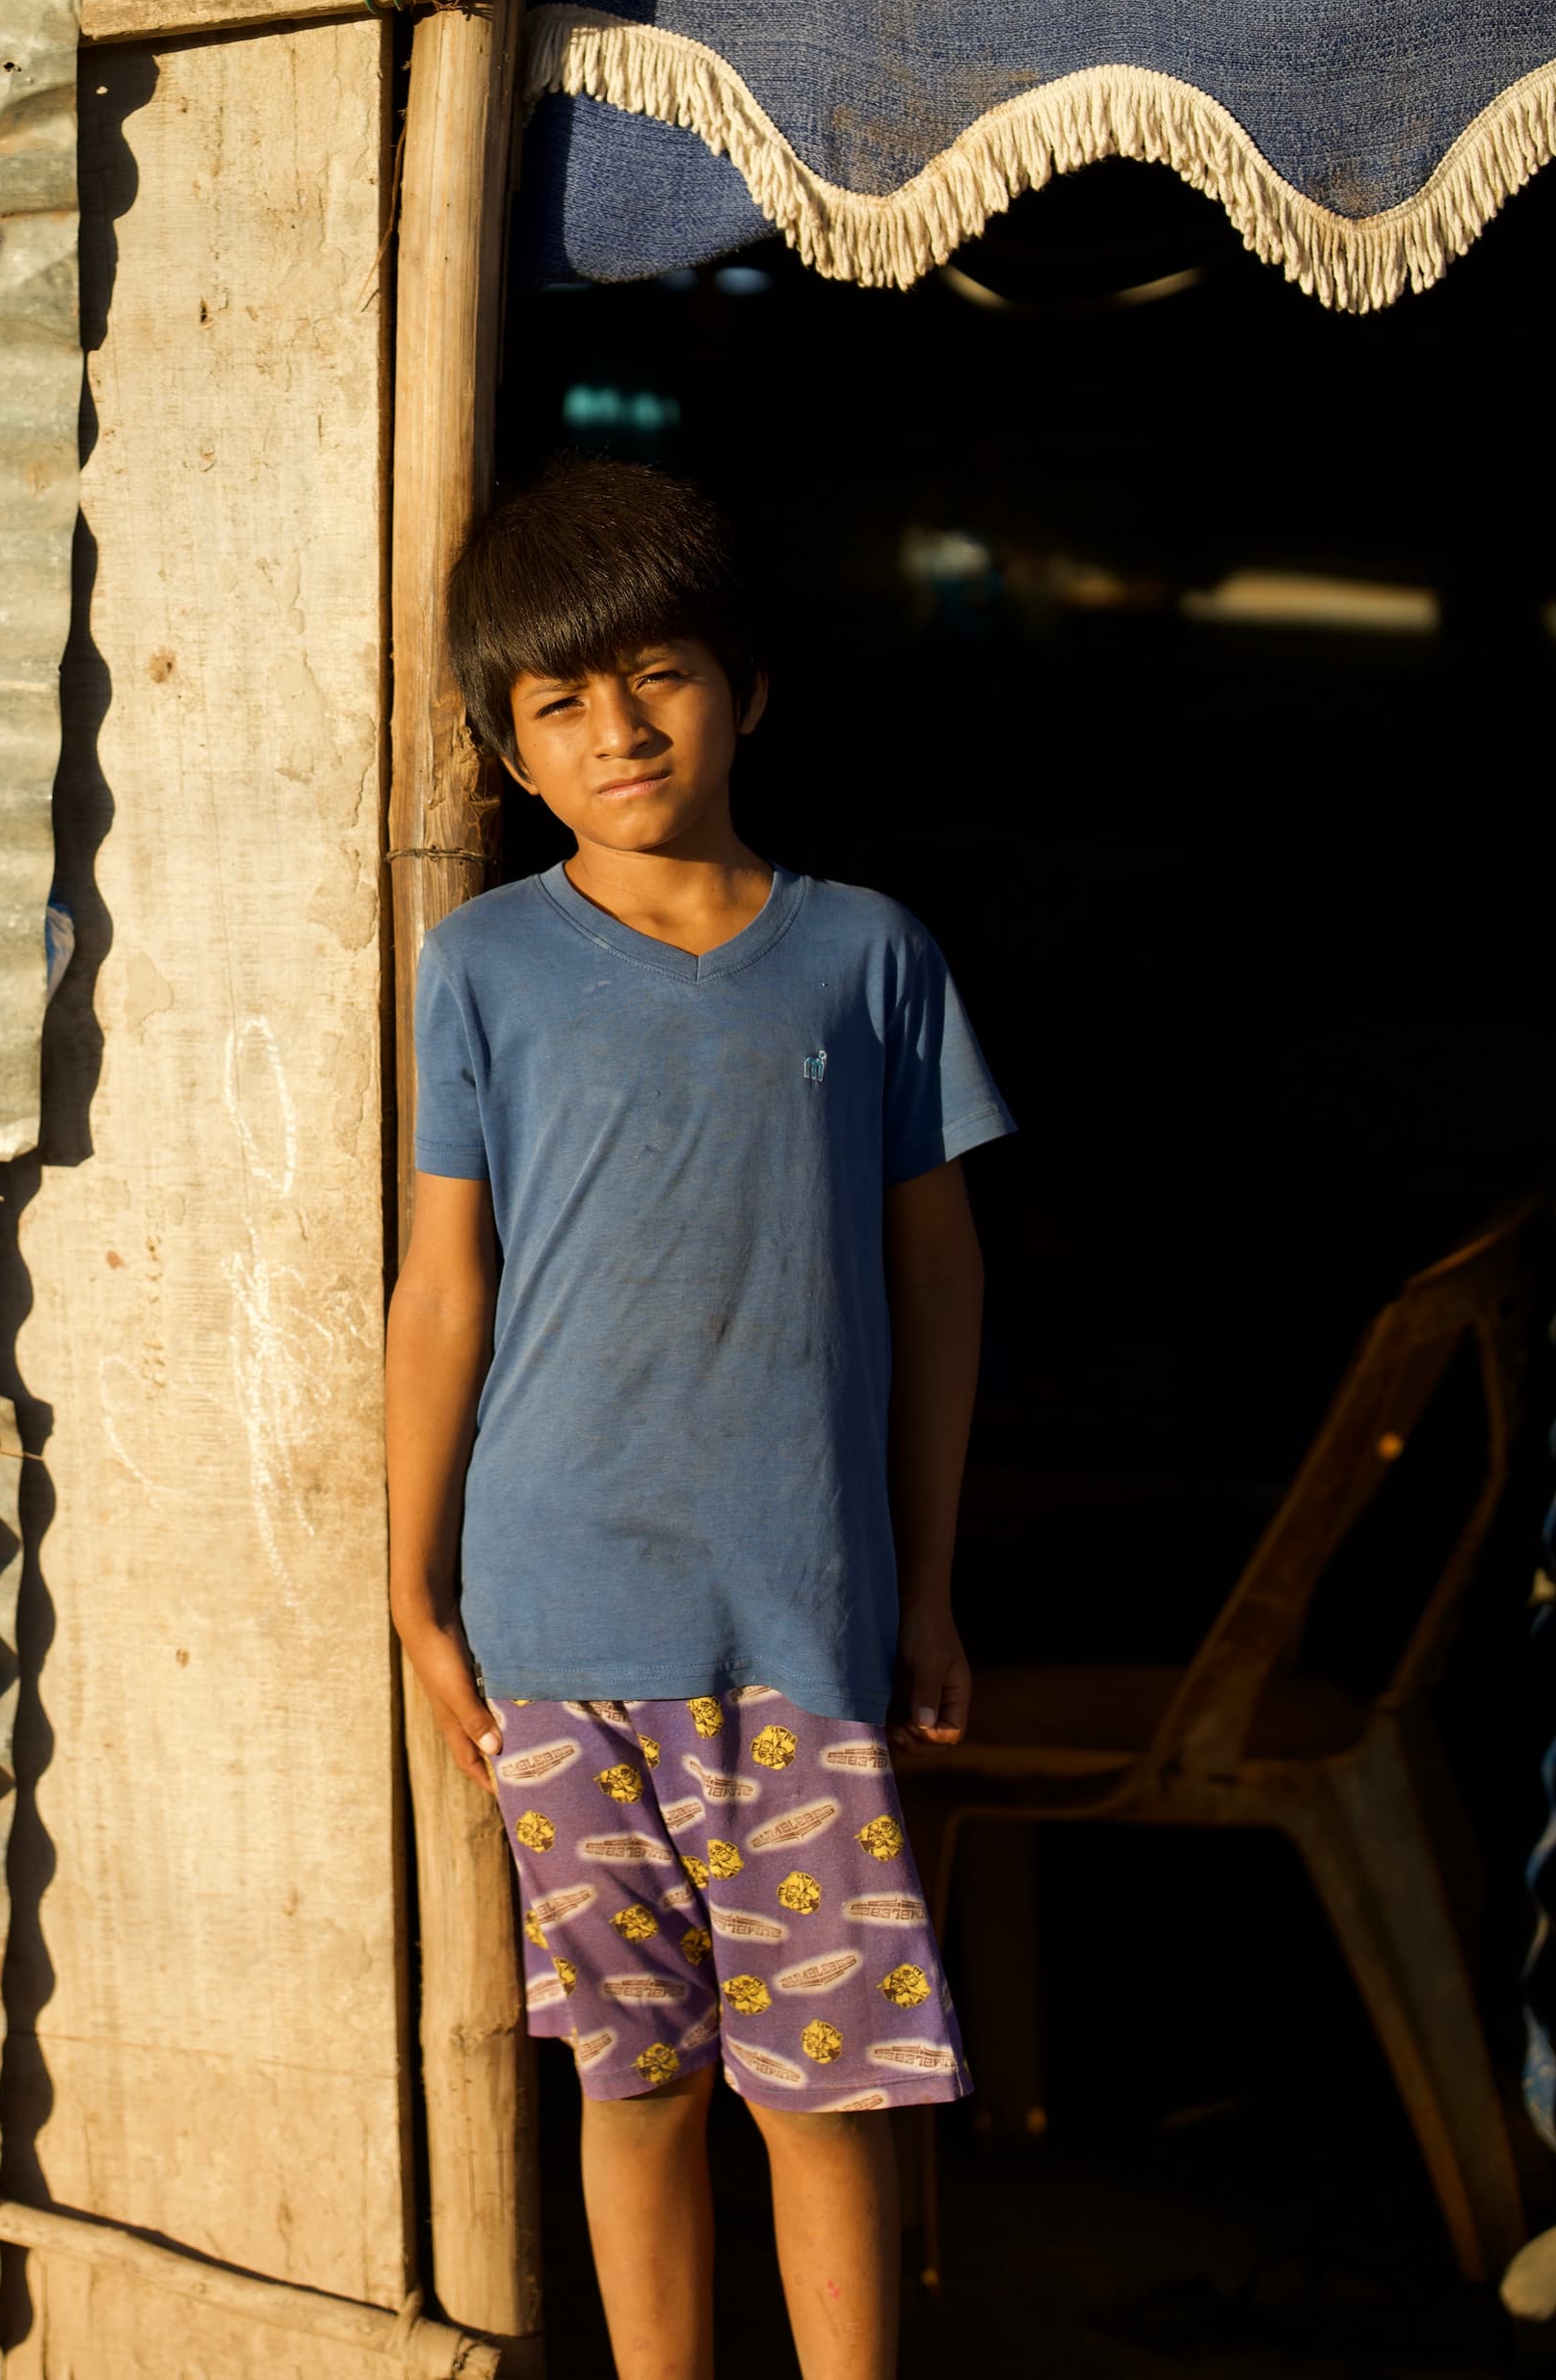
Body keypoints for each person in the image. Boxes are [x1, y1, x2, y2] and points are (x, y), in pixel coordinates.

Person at [389, 455, 1010, 2380]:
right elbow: (444, 1290)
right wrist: (416, 1592)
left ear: (745, 688)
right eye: (558, 702)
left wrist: (925, 1578)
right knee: (633, 2065)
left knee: (824, 2082)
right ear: (506, 745)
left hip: (794, 1616)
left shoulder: (866, 953)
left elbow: (939, 1283)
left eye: (653, 673)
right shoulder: (480, 964)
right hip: (558, 1612)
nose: (616, 729)